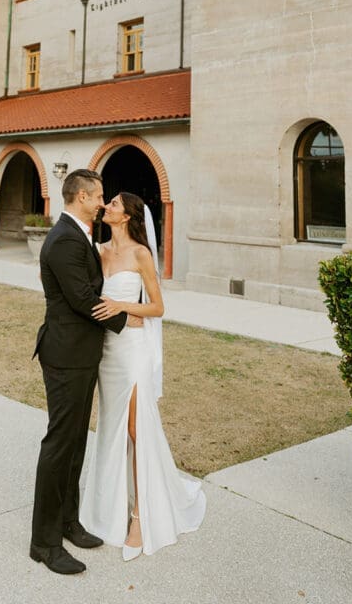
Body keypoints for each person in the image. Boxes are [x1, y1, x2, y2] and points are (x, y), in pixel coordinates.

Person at [80, 191, 206, 559]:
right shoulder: (98, 250)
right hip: (105, 352)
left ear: (128, 216)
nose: (107, 206)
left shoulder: (140, 254)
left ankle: (139, 517)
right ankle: (108, 506)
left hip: (132, 351)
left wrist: (122, 306)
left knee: (136, 429)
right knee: (111, 427)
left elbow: (158, 306)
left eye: (114, 204)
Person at [30, 169, 137, 576]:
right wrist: (130, 323)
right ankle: (43, 543)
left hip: (83, 353)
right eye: (99, 196)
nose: (102, 203)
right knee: (60, 443)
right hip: (65, 354)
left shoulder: (79, 234)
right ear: (81, 197)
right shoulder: (62, 240)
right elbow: (81, 298)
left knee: (75, 442)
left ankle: (69, 522)